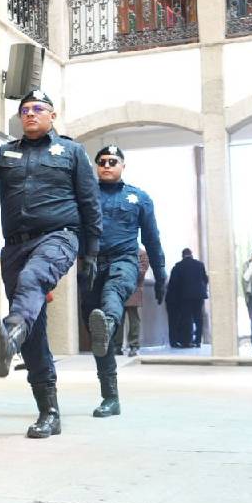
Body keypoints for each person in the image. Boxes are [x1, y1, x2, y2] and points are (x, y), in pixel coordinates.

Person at [0, 89, 101, 439]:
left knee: (34, 279)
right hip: (15, 246)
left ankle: (10, 335)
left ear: (52, 115)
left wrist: (91, 251)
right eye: (25, 110)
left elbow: (90, 202)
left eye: (38, 109)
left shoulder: (72, 151)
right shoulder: (8, 153)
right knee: (33, 331)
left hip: (58, 236)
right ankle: (48, 411)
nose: (30, 114)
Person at [82, 144, 165, 418]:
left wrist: (161, 275)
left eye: (112, 161)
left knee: (113, 296)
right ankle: (110, 398)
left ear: (122, 166)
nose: (106, 165)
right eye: (102, 161)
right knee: (98, 338)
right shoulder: (85, 193)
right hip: (92, 264)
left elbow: (152, 239)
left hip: (125, 260)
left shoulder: (139, 198)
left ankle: (107, 323)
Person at [166, 248, 208, 348]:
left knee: (187, 318)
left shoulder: (178, 266)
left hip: (185, 297)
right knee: (199, 318)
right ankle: (198, 341)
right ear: (191, 254)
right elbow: (205, 279)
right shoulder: (200, 265)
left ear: (182, 255)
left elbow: (173, 283)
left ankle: (187, 341)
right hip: (198, 296)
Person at [121, 249, 149, 356]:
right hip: (120, 288)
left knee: (133, 318)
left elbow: (142, 271)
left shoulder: (141, 253)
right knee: (119, 318)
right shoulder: (122, 250)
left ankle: (134, 344)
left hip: (133, 288)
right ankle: (117, 345)